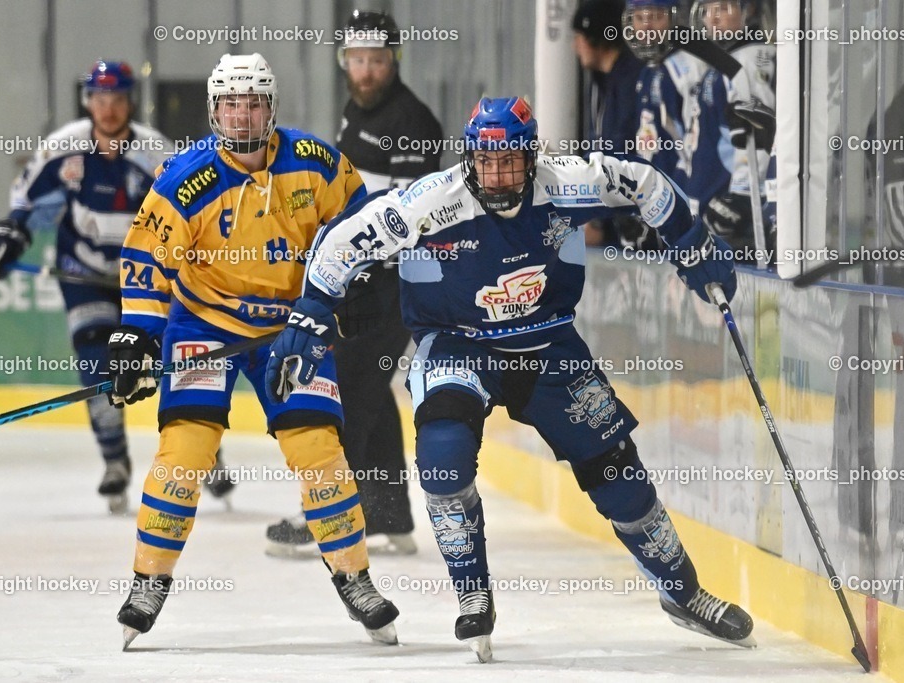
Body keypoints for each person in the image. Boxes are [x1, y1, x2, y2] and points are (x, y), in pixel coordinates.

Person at [265, 96, 753, 662]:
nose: (496, 175)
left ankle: (683, 593)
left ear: (531, 156)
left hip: (547, 345)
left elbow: (646, 182)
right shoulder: (431, 201)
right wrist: (312, 310)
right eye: (486, 161)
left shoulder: (568, 181)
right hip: (456, 347)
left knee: (621, 478)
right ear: (470, 158)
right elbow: (345, 240)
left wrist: (691, 242)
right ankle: (473, 593)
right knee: (443, 464)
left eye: (509, 161)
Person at [108, 53, 398, 649]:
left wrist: (357, 287)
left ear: (272, 108)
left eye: (254, 103)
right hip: (203, 327)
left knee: (319, 449)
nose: (242, 116)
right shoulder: (185, 178)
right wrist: (136, 339)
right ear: (215, 110)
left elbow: (361, 222)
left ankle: (354, 575)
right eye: (231, 104)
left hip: (287, 331)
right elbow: (144, 263)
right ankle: (148, 581)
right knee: (184, 453)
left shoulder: (315, 164)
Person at [0, 61, 239, 514]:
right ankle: (115, 461)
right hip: (85, 272)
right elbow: (25, 194)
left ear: (130, 101)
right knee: (99, 363)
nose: (108, 108)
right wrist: (11, 231)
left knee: (181, 359)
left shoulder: (157, 153)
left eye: (117, 99)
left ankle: (204, 453)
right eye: (99, 98)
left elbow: (197, 212)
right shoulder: (65, 147)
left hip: (150, 276)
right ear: (87, 101)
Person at [265, 8, 442, 558]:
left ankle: (330, 511)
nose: (366, 71)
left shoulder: (413, 124)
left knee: (349, 391)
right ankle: (389, 515)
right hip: (361, 282)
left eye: (377, 61)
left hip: (393, 286)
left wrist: (358, 272)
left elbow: (411, 218)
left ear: (394, 61)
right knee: (368, 391)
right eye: (357, 60)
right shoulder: (355, 111)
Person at [686, 0, 776, 257]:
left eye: (724, 8)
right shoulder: (724, 62)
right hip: (711, 208)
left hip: (735, 220)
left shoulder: (750, 60)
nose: (713, 18)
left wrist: (743, 198)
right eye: (707, 10)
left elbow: (760, 132)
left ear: (749, 11)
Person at [572, 0, 652, 248]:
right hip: (611, 216)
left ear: (595, 38)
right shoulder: (600, 81)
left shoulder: (632, 80)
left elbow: (626, 154)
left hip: (632, 217)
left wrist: (602, 225)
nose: (576, 46)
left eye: (580, 37)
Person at [626, 0, 707, 191]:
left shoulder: (688, 68)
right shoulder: (648, 70)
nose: (646, 26)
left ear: (675, 18)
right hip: (656, 195)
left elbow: (696, 143)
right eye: (639, 18)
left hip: (680, 193)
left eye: (655, 17)